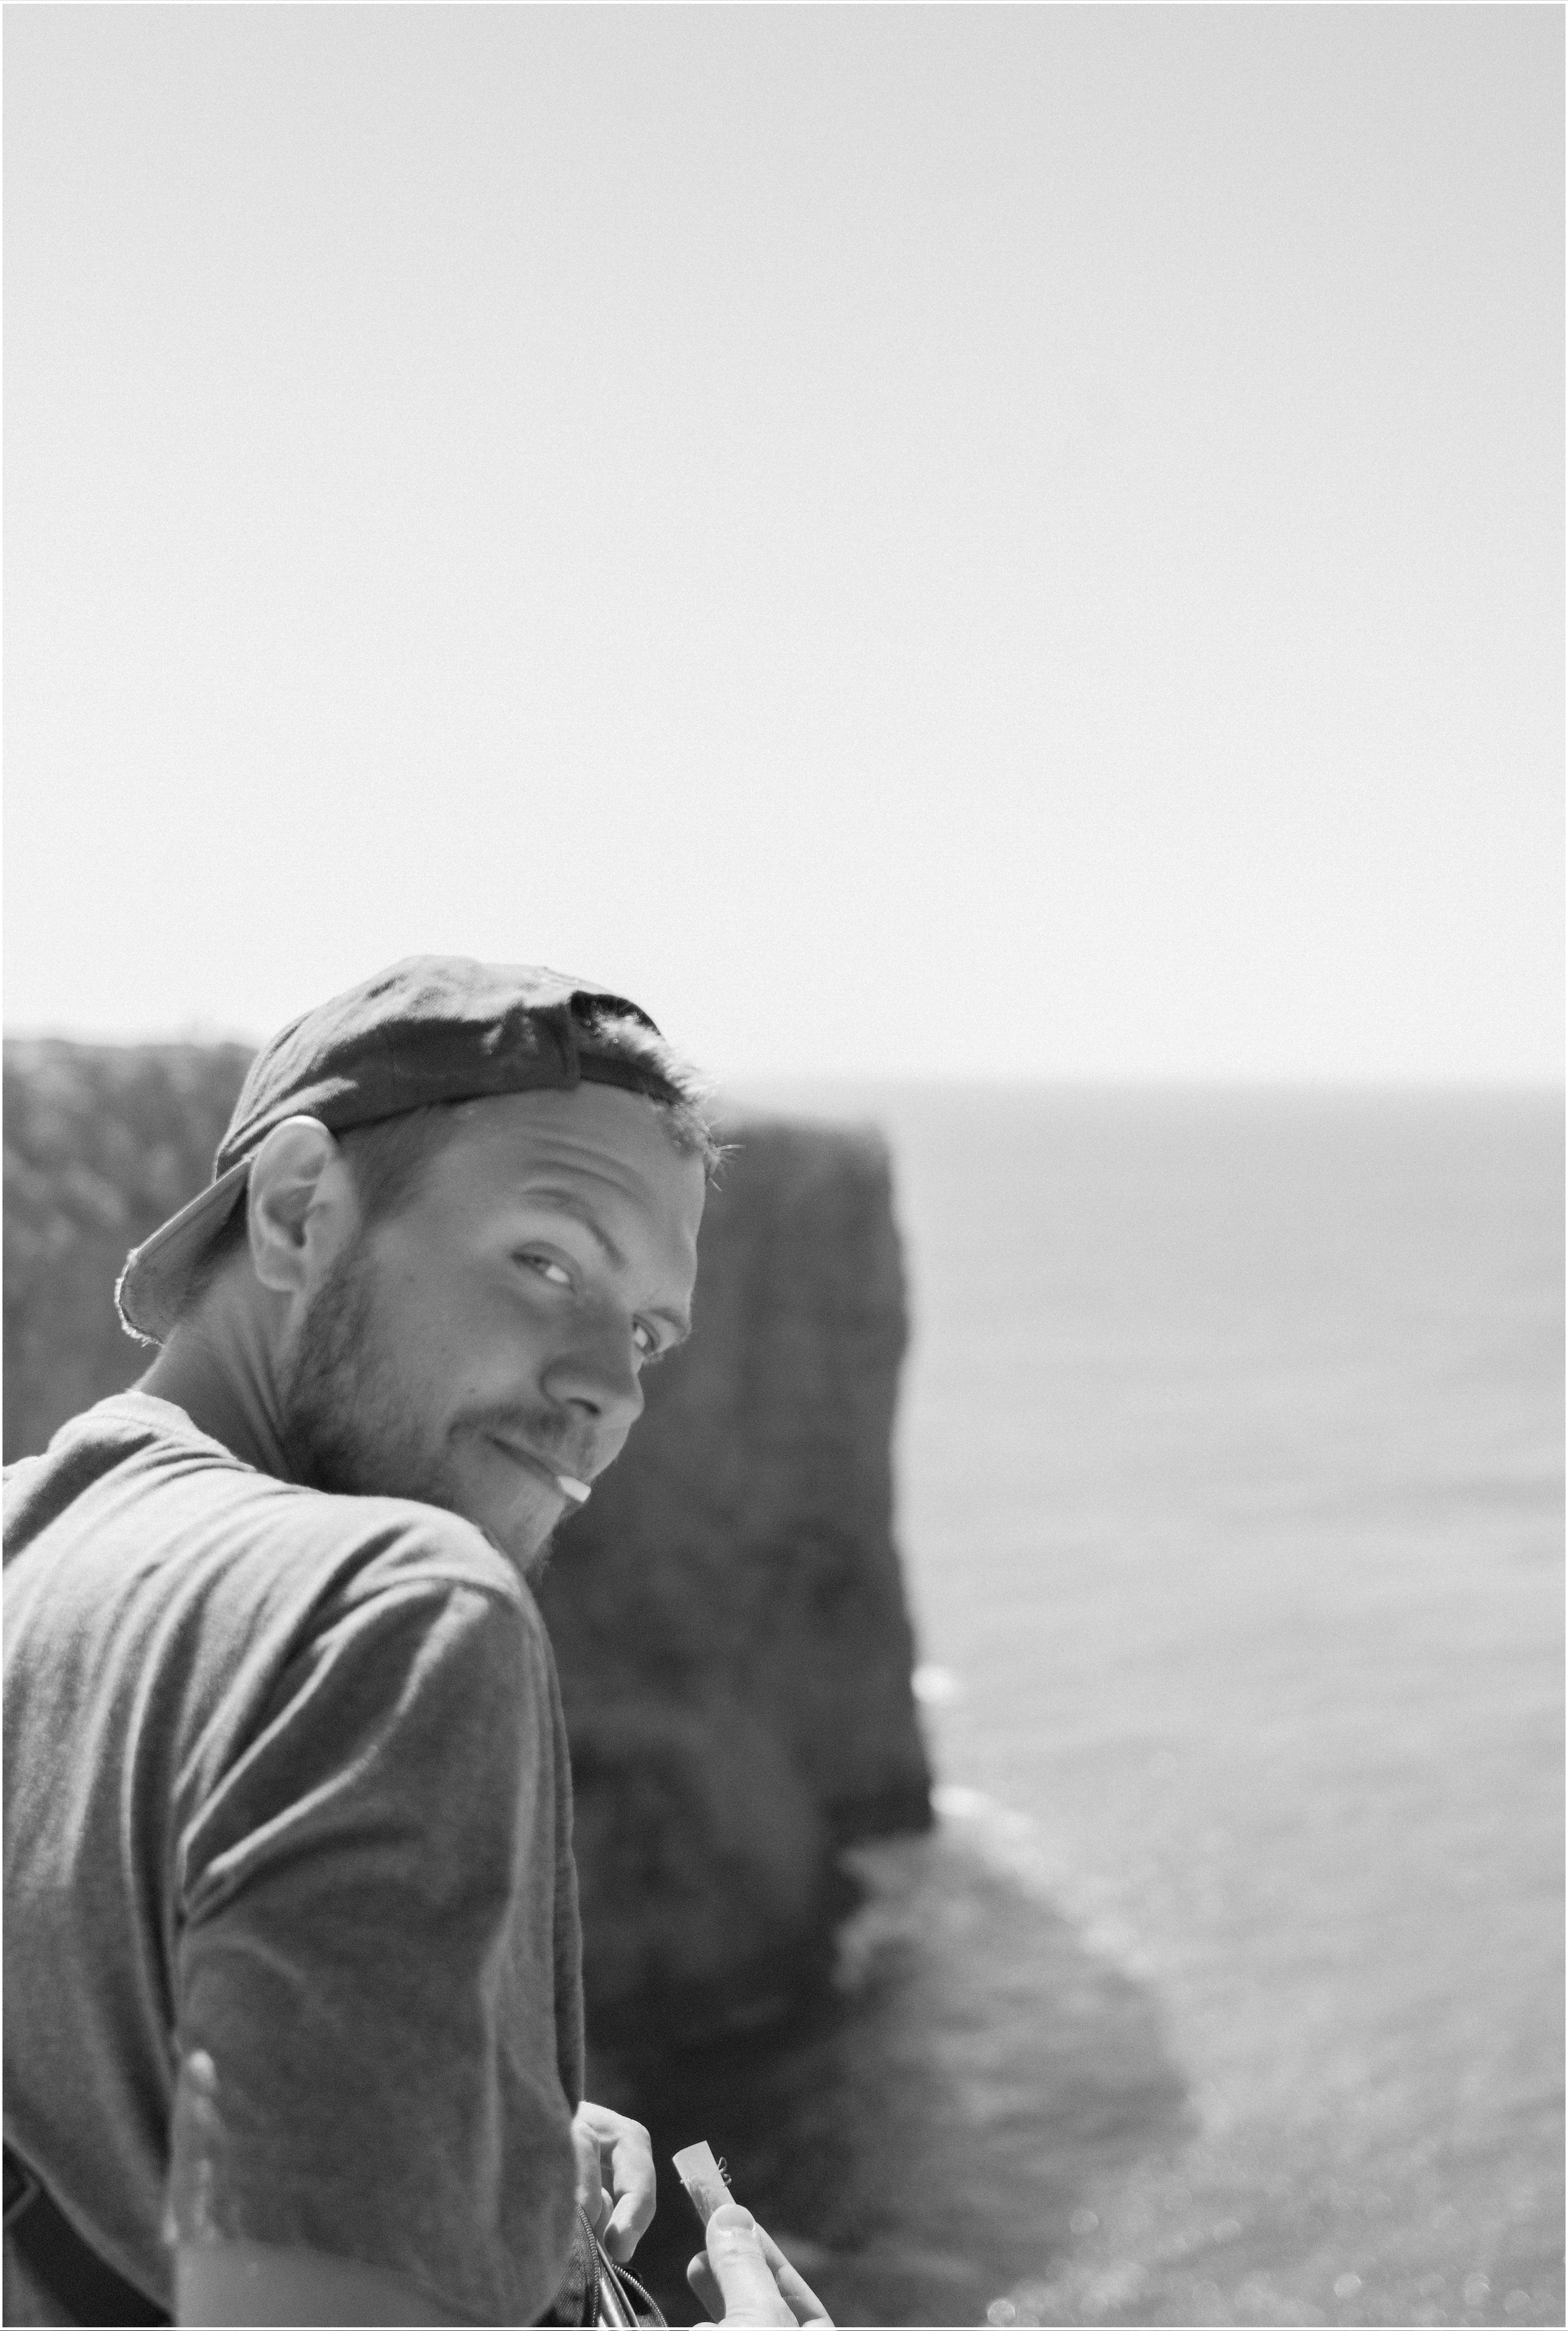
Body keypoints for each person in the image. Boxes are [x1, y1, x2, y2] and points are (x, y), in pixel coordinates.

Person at [4, 956, 830, 2329]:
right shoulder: (386, 1612)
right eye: (546, 1260)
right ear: (296, 1212)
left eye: (646, 1333)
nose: (613, 1391)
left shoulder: (39, 1556)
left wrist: (480, 2137)